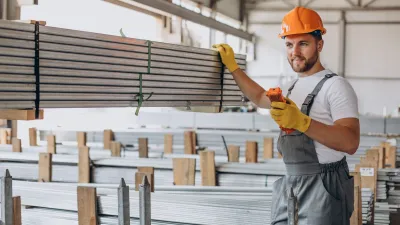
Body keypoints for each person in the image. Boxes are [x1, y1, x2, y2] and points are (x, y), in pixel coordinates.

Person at [213, 6, 360, 225]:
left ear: (319, 44)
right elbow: (259, 96)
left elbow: (350, 142)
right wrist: (234, 68)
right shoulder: (290, 88)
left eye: (303, 43)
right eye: (289, 44)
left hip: (325, 185)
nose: (295, 52)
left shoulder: (335, 86)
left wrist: (302, 122)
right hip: (291, 182)